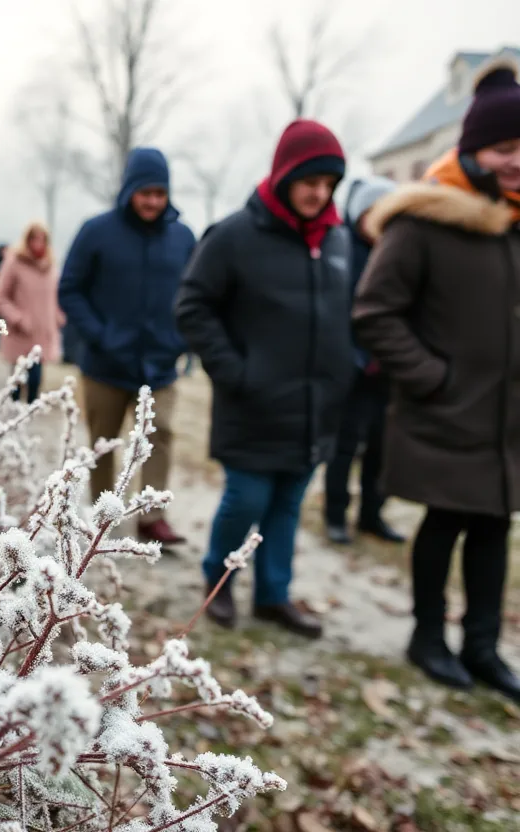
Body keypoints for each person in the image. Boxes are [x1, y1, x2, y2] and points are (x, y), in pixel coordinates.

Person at [352, 59, 520, 702]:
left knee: (495, 527)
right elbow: (374, 311)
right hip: (448, 408)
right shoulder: (424, 219)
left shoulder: (516, 219)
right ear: (473, 149)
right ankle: (428, 637)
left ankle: (483, 647)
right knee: (446, 522)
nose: (514, 161)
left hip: (505, 416)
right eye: (504, 148)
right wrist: (433, 378)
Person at [175, 119, 354, 639]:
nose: (319, 194)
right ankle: (220, 581)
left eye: (329, 185)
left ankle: (273, 595)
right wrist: (235, 371)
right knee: (247, 501)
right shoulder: (234, 236)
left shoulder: (338, 241)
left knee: (286, 506)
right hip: (252, 405)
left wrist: (346, 369)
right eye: (309, 182)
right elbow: (192, 307)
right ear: (283, 176)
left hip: (314, 410)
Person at [58, 147, 195, 545]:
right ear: (129, 189)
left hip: (161, 363)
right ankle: (104, 514)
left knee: (162, 433)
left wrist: (181, 340)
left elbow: (196, 294)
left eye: (160, 193)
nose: (153, 201)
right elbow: (70, 289)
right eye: (145, 192)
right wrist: (100, 335)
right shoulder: (96, 231)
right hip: (105, 363)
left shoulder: (183, 237)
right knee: (105, 442)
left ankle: (152, 518)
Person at [324, 176, 406, 546]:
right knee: (344, 447)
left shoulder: (399, 251)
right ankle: (335, 515)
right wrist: (352, 357)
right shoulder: (340, 249)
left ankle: (372, 515)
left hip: (388, 370)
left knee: (382, 448)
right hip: (351, 369)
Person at [0, 222, 63, 404]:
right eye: (34, 238)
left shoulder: (51, 267)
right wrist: (18, 318)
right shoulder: (14, 263)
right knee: (17, 380)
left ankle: (30, 417)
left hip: (42, 332)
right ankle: (11, 418)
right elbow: (0, 297)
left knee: (36, 380)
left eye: (43, 239)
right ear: (27, 239)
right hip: (21, 333)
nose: (38, 243)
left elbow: (55, 297)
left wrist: (58, 316)